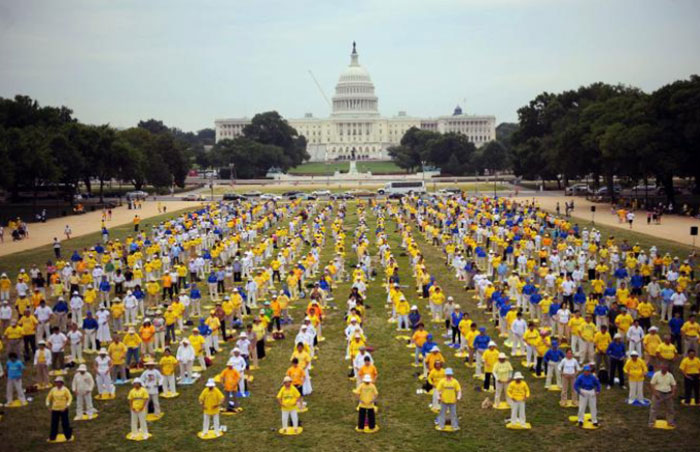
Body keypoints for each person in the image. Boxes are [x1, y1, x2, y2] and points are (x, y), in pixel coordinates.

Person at [46, 376, 73, 442]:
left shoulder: (65, 390)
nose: (57, 384)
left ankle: (68, 437)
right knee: (54, 423)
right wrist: (48, 405)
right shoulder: (53, 390)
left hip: (63, 409)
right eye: (56, 382)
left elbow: (70, 398)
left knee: (65, 423)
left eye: (59, 382)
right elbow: (48, 397)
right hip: (55, 409)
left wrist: (67, 406)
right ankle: (52, 437)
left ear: (62, 383)